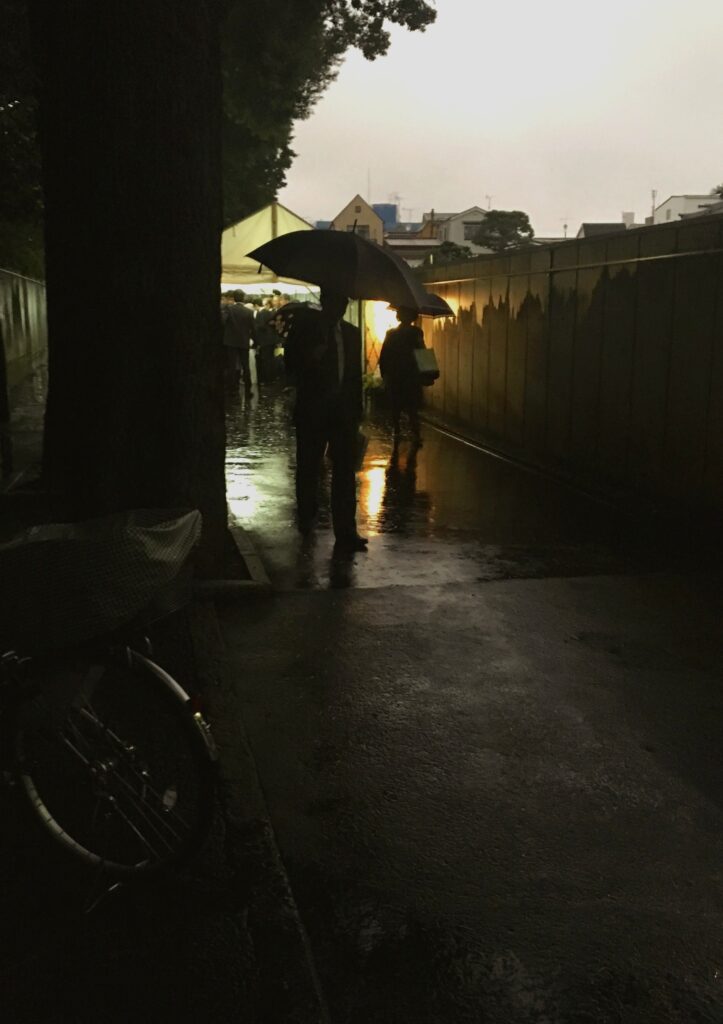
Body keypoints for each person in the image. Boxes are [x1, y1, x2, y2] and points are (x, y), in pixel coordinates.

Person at [284, 288, 367, 552]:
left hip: (343, 413)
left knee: (344, 471)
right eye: (335, 300)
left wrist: (357, 411)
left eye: (344, 301)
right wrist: (311, 358)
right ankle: (307, 518)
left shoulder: (352, 334)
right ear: (324, 301)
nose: (340, 306)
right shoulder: (307, 329)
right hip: (313, 410)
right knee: (309, 465)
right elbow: (289, 365)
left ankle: (346, 531)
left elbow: (354, 376)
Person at [378, 306, 425, 446]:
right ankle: (415, 434)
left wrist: (384, 374)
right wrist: (427, 372)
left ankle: (397, 431)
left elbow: (384, 355)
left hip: (395, 374)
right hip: (411, 374)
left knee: (396, 405)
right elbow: (422, 351)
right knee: (412, 407)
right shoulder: (416, 332)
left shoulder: (391, 333)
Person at [223, 289, 255, 393]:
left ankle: (232, 389)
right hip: (244, 341)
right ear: (243, 298)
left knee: (232, 366)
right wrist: (256, 341)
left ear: (234, 298)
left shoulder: (229, 309)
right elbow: (253, 328)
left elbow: (223, 322)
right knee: (245, 366)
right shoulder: (249, 312)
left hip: (230, 342)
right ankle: (248, 389)